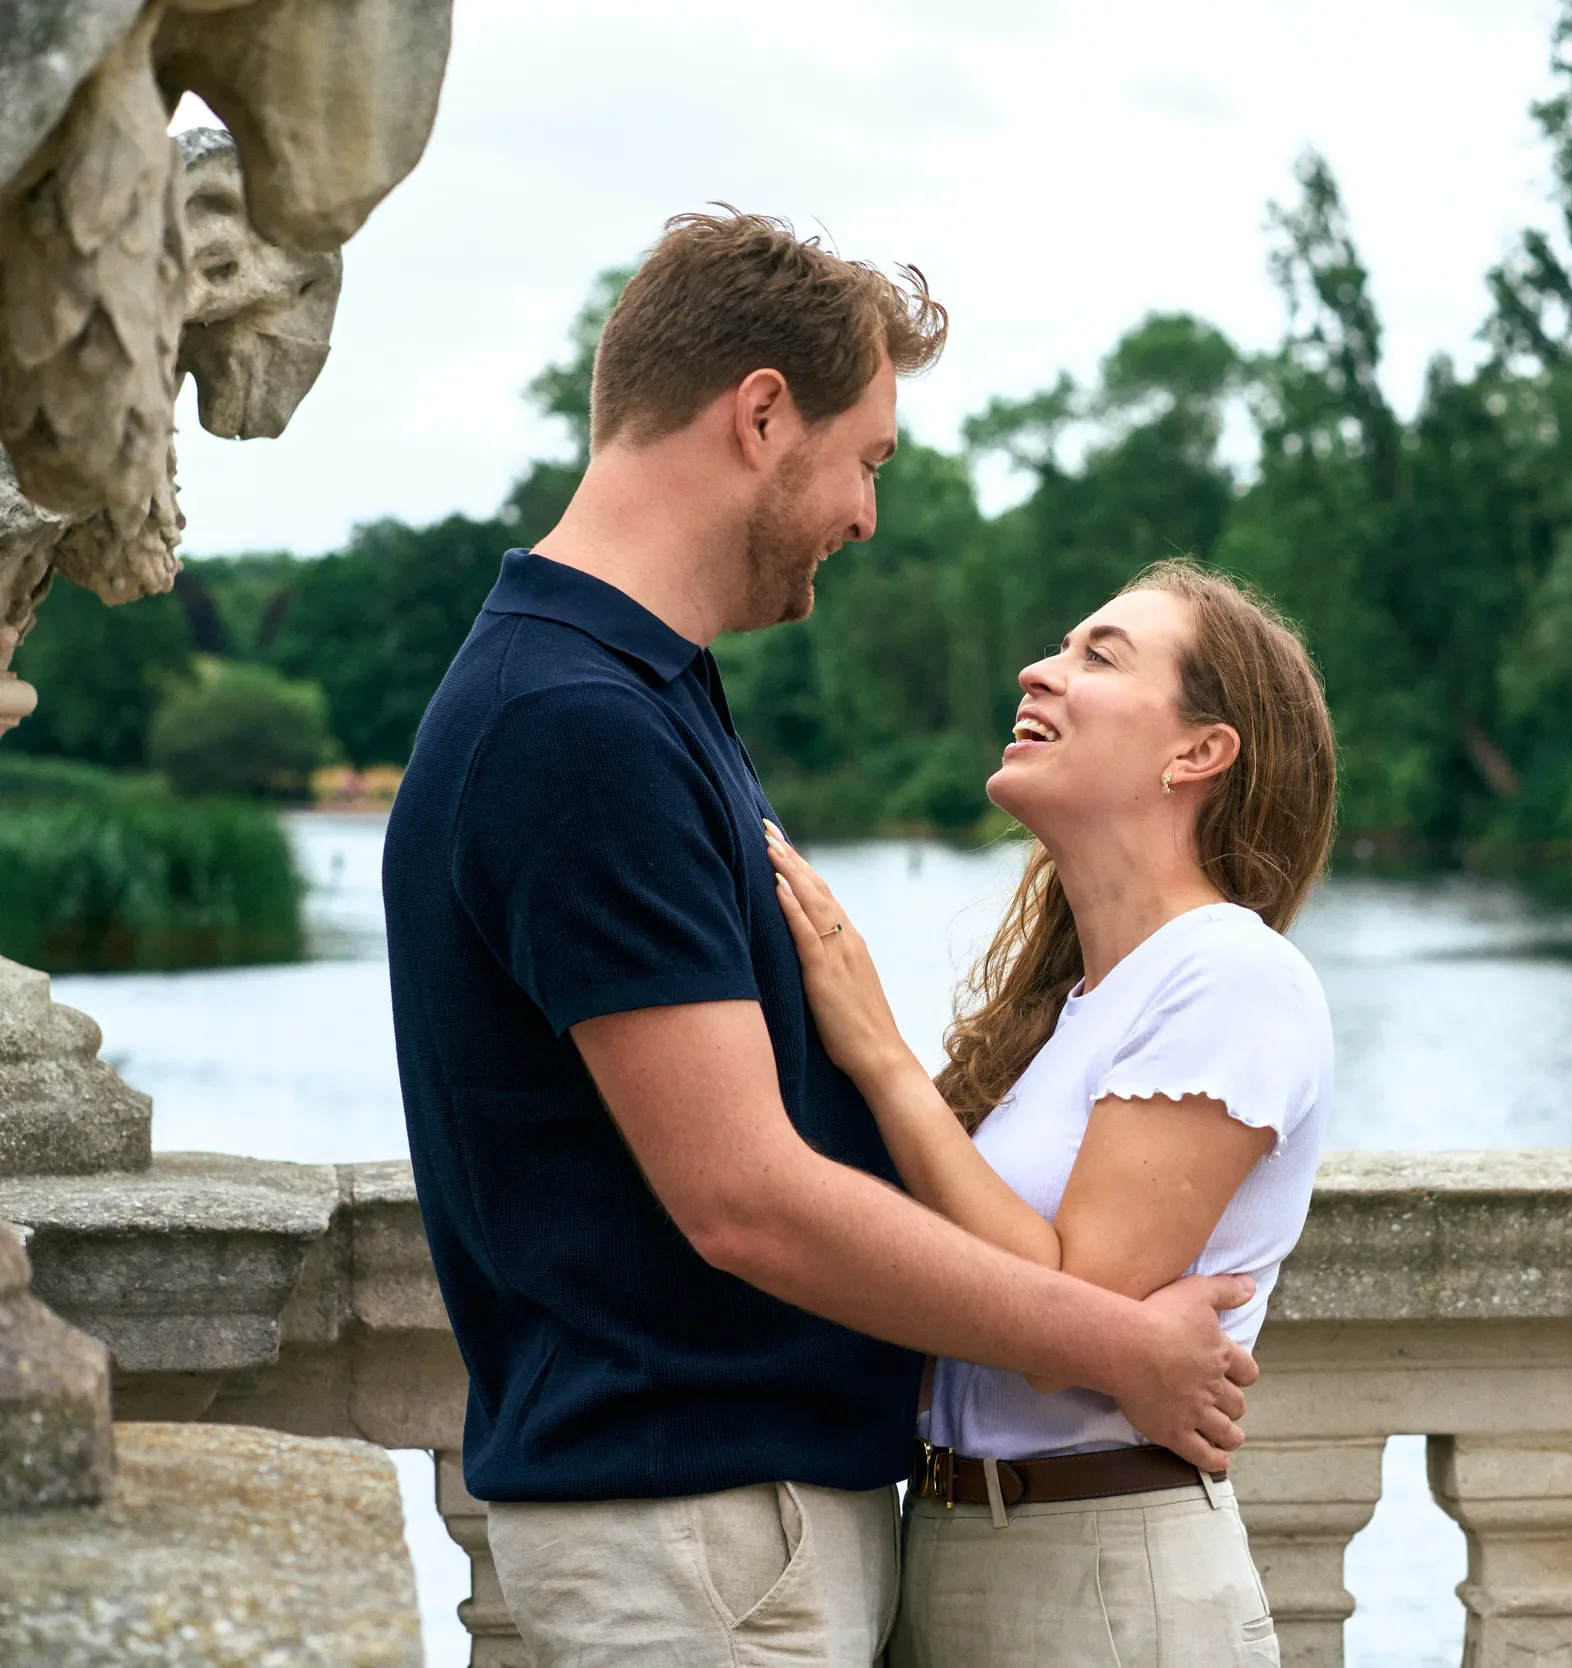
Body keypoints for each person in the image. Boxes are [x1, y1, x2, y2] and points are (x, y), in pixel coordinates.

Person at [381, 212, 1258, 1668]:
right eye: (868, 460)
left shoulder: (633, 695)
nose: (866, 515)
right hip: (704, 1529)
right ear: (762, 414)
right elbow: (746, 1199)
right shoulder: (578, 725)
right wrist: (1114, 1351)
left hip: (733, 1524)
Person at [764, 557, 1337, 1668]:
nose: (1039, 670)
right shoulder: (1069, 1012)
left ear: (1198, 752)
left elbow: (1058, 1329)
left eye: (1098, 655)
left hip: (1104, 1575)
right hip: (950, 1549)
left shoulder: (1228, 974)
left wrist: (880, 1058)